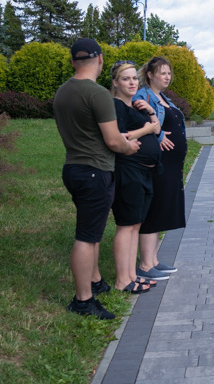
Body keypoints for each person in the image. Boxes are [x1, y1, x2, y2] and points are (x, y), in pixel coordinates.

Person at [54, 39, 140, 319]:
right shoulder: (97, 94)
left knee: (91, 230)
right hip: (95, 171)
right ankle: (83, 301)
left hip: (74, 168)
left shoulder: (63, 91)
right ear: (100, 60)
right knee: (87, 237)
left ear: (72, 62)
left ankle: (94, 281)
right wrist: (130, 146)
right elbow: (114, 141)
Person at [134, 57, 187, 282]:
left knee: (163, 208)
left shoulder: (164, 98)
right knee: (154, 210)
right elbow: (136, 124)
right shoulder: (143, 97)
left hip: (172, 164)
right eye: (162, 73)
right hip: (158, 163)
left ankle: (153, 260)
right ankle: (145, 264)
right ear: (149, 75)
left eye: (168, 73)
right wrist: (158, 134)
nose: (167, 77)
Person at [110, 61, 161, 294]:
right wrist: (147, 129)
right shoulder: (116, 106)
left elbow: (158, 128)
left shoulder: (137, 107)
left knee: (135, 225)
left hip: (145, 172)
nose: (132, 83)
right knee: (126, 225)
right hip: (129, 171)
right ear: (115, 83)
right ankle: (123, 279)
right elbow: (121, 136)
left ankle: (132, 275)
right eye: (125, 79)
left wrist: (150, 112)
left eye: (134, 79)